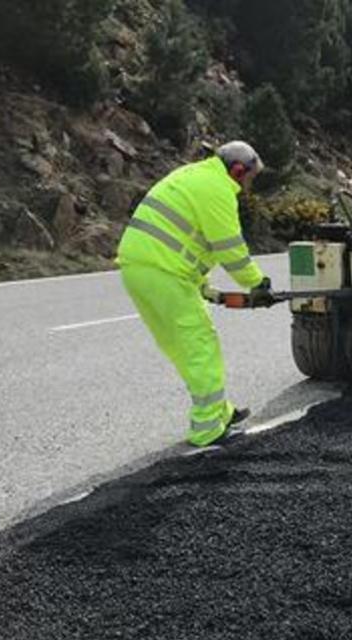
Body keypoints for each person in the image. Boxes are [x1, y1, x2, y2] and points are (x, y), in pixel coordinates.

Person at [116, 141, 275, 447]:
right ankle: (206, 429)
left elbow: (184, 238)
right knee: (201, 346)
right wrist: (257, 283)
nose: (248, 186)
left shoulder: (194, 175)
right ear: (238, 170)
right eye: (249, 178)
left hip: (140, 267)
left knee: (183, 348)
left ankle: (220, 411)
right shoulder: (217, 189)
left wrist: (206, 290)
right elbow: (229, 250)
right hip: (165, 272)